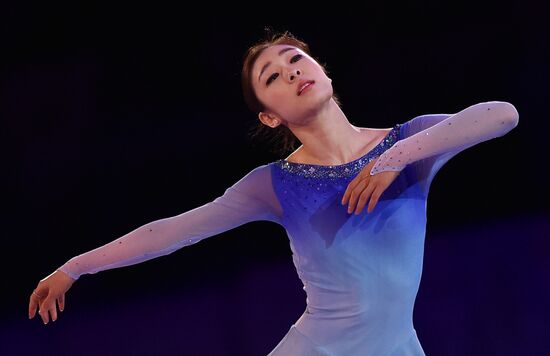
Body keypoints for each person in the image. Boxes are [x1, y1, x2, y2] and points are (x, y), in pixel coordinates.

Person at [28, 31, 519, 355]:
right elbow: (172, 232)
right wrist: (76, 266)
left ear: (321, 69)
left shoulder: (412, 143)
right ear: (270, 116)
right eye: (273, 78)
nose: (291, 73)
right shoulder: (274, 183)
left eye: (295, 60)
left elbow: (502, 115)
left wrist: (393, 160)